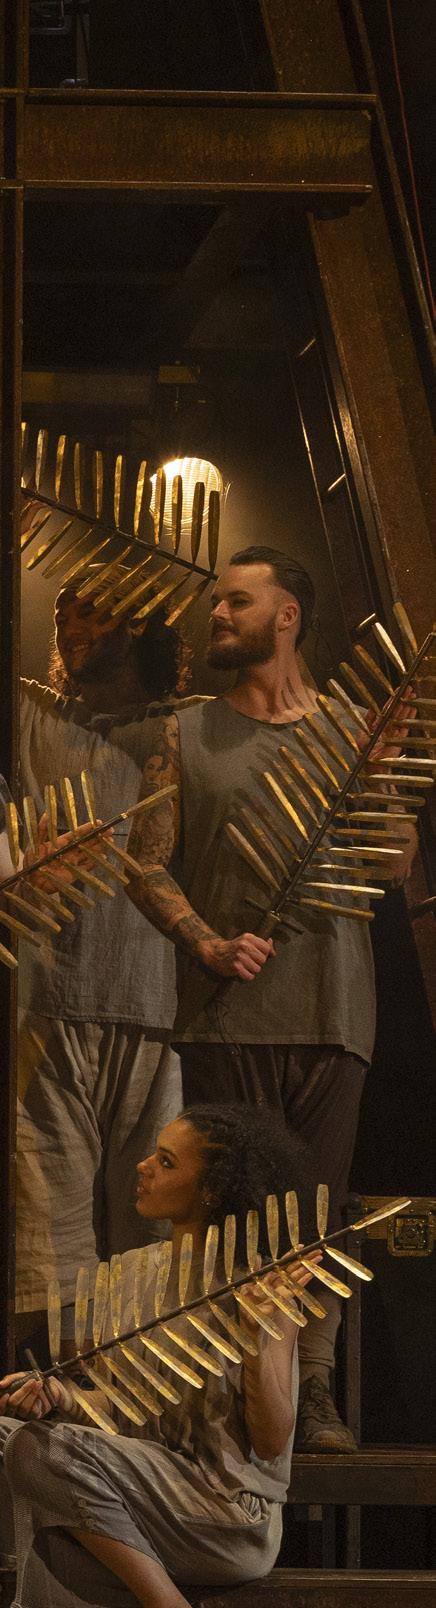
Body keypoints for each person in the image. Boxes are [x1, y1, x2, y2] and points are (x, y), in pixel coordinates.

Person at [124, 545, 416, 1453]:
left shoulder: (351, 729)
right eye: (218, 603)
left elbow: (390, 866)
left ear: (287, 616)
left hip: (334, 1012)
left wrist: (382, 776)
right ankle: (220, 1400)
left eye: (237, 602)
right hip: (228, 1014)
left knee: (315, 1216)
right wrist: (204, 941)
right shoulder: (188, 732)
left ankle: (310, 1390)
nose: (217, 616)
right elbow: (143, 862)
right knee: (229, 1217)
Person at [0, 1103, 317, 1608]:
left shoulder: (259, 1283)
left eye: (166, 1162)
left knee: (40, 1451)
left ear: (211, 1190)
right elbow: (122, 1413)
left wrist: (256, 1336)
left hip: (222, 1512)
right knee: (10, 1438)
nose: (143, 1166)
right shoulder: (130, 1275)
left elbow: (272, 1439)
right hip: (140, 1490)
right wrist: (60, 1397)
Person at [16, 552, 193, 1351]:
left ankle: (134, 1400)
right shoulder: (34, 716)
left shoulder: (182, 726)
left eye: (92, 609)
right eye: (63, 610)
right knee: (48, 1237)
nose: (69, 623)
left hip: (152, 1009)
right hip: (49, 1009)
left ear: (139, 622)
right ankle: (54, 1395)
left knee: (152, 1234)